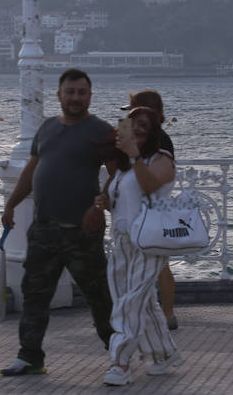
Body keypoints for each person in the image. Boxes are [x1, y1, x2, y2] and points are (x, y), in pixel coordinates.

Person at [0, 68, 115, 377]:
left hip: (82, 232)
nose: (75, 98)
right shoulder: (46, 128)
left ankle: (119, 355)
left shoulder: (102, 132)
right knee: (34, 294)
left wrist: (101, 201)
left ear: (90, 96)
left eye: (81, 92)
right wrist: (11, 204)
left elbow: (119, 176)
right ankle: (30, 357)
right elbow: (31, 171)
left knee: (99, 297)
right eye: (70, 92)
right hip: (44, 229)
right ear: (59, 95)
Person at [96, 105, 182, 386]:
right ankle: (163, 354)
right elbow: (121, 201)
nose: (139, 127)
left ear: (155, 129)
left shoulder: (162, 159)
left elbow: (149, 186)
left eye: (146, 123)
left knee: (129, 304)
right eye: (134, 123)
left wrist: (134, 154)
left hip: (149, 243)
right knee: (141, 305)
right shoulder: (121, 169)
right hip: (121, 242)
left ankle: (120, 363)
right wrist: (104, 201)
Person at [122, 89, 179, 330]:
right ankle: (164, 313)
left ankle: (166, 313)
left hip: (151, 207)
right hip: (143, 206)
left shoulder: (160, 139)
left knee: (158, 263)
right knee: (157, 263)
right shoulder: (149, 135)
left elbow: (129, 162)